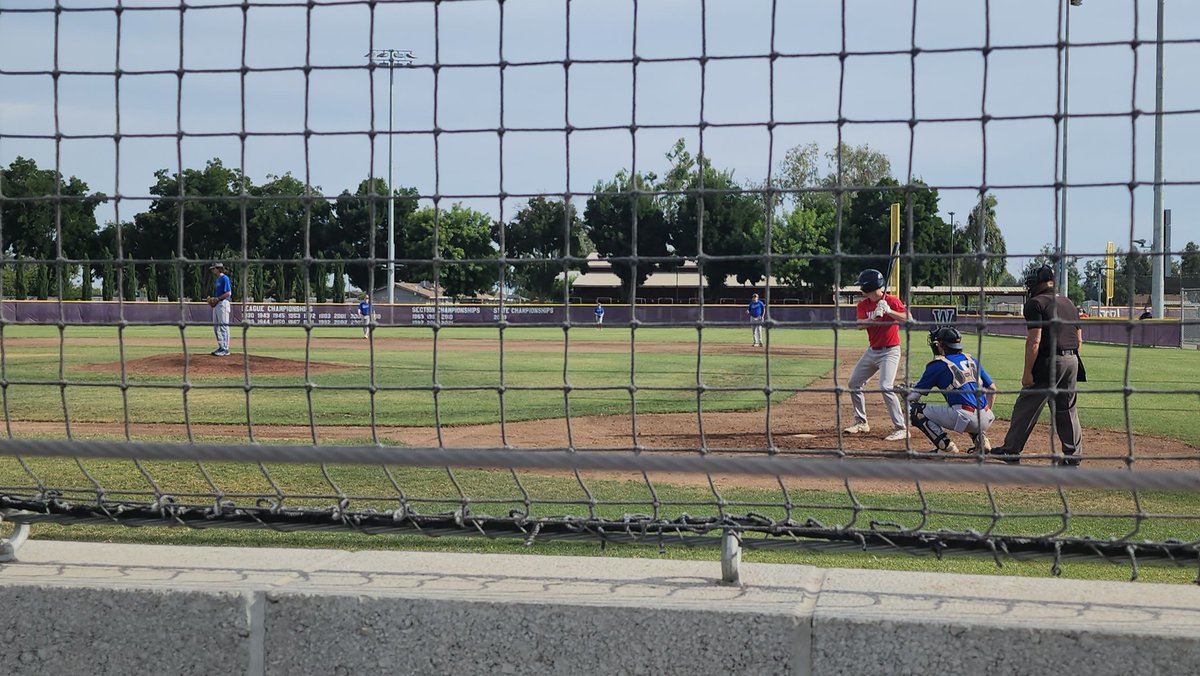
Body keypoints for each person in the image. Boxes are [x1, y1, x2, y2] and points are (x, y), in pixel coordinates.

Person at [989, 265, 1083, 466]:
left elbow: (1034, 341)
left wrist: (1027, 373)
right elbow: (1079, 337)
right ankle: (1072, 457)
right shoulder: (1068, 302)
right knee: (1067, 409)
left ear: (1038, 282)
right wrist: (1071, 360)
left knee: (1027, 405)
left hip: (1050, 362)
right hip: (1073, 359)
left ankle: (1010, 450)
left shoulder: (1035, 303)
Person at [843, 268, 911, 442]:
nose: (860, 289)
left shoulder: (892, 301)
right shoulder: (863, 304)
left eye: (862, 285)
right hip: (872, 351)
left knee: (886, 386)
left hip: (891, 351)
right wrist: (872, 320)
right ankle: (861, 422)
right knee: (854, 383)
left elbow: (908, 318)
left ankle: (901, 428)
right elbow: (859, 325)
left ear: (870, 286)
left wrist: (889, 311)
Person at [907, 326, 996, 454]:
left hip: (965, 417)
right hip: (987, 416)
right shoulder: (972, 360)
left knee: (914, 411)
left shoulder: (938, 365)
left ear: (941, 345)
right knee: (966, 399)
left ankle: (946, 446)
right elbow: (992, 389)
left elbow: (913, 397)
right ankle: (981, 439)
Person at [207, 263, 231, 356]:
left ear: (218, 269)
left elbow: (228, 293)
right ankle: (221, 346)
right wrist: (214, 299)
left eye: (214, 268)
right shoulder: (217, 280)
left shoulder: (225, 278)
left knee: (223, 326)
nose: (213, 270)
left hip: (223, 303)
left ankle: (226, 349)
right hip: (218, 304)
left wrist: (217, 299)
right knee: (216, 326)